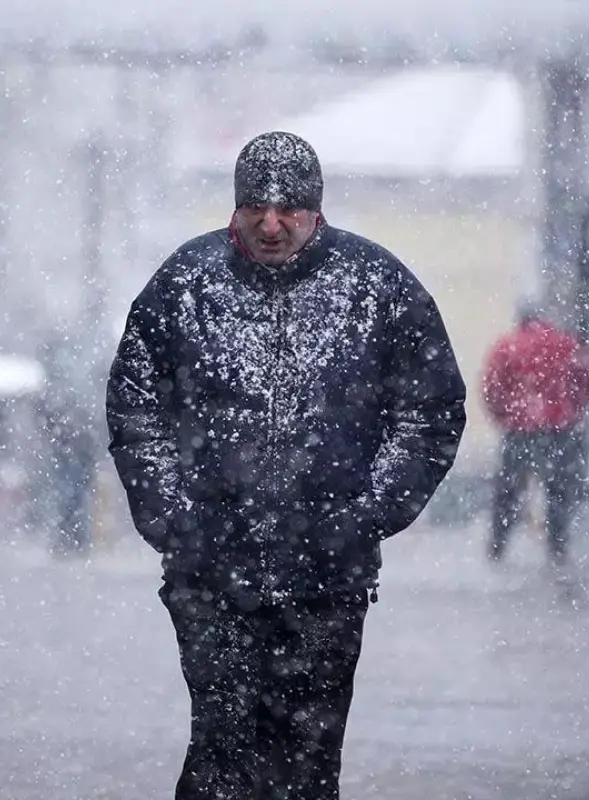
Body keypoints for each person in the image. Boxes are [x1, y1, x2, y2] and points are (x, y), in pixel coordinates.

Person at [106, 131, 466, 800]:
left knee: (308, 755)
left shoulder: (378, 287)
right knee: (222, 746)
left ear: (317, 210)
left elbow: (430, 412)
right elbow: (135, 408)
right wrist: (172, 516)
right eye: (254, 207)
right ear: (234, 209)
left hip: (327, 575)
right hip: (210, 569)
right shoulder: (185, 284)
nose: (271, 223)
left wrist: (365, 516)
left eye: (288, 209)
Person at [480, 297, 589, 566]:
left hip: (520, 429)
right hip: (559, 429)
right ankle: (557, 549)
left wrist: (505, 417)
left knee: (509, 492)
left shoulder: (507, 347)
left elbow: (492, 388)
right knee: (557, 491)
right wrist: (571, 411)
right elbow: (587, 384)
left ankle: (497, 548)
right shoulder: (566, 345)